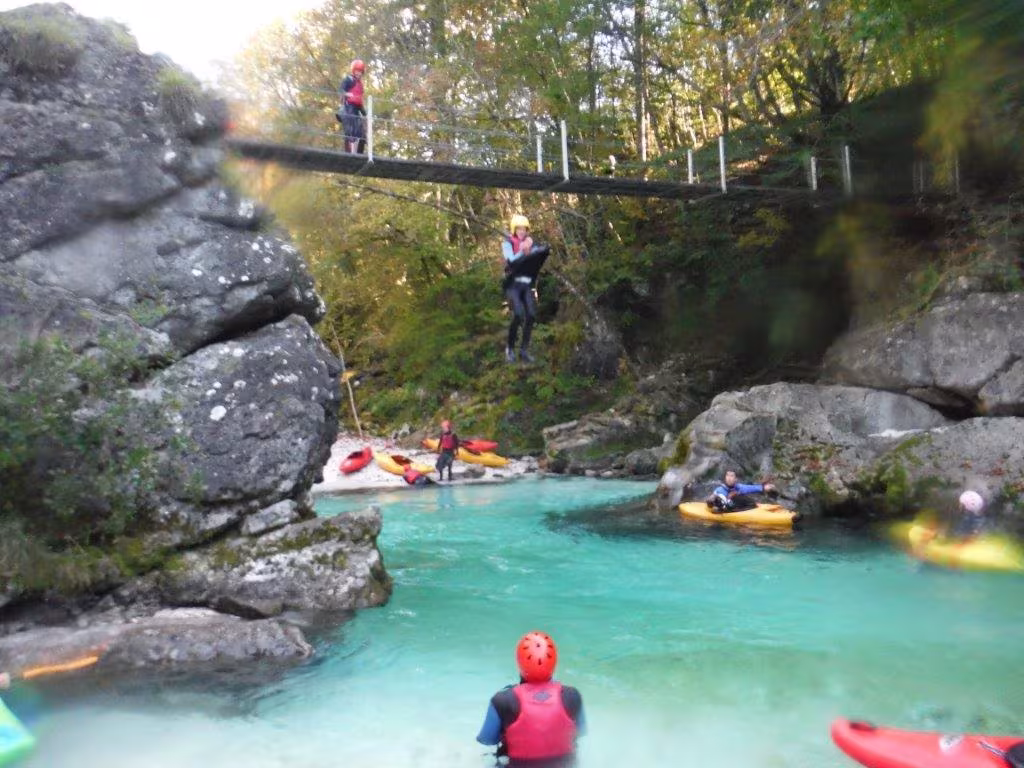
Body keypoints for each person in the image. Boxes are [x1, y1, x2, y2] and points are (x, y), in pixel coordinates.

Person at [477, 631, 585, 767]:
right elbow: (580, 732)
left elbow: (487, 740)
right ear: (554, 662)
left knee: (489, 757)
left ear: (520, 662)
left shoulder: (502, 700)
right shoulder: (572, 696)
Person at [501, 214, 549, 364]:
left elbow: (538, 256)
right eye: (519, 228)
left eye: (524, 229)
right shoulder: (507, 243)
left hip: (526, 284)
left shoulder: (530, 243)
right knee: (518, 315)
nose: (522, 231)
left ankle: (523, 350)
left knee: (531, 315)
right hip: (513, 285)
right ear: (514, 229)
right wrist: (523, 250)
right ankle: (509, 349)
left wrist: (543, 249)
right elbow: (512, 261)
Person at [708, 469, 776, 512]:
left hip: (736, 509)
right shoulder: (720, 490)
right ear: (725, 477)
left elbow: (752, 488)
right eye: (727, 475)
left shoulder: (739, 487)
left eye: (731, 476)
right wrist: (710, 501)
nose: (729, 478)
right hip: (723, 510)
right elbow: (711, 500)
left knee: (741, 497)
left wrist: (764, 487)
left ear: (735, 479)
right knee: (719, 499)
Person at [337, 58, 367, 154]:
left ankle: (358, 152)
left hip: (357, 109)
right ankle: (351, 152)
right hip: (349, 107)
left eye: (360, 72)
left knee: (360, 132)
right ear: (354, 71)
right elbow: (341, 89)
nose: (359, 73)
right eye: (357, 71)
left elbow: (359, 100)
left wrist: (364, 112)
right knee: (351, 130)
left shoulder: (360, 85)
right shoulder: (348, 79)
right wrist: (345, 94)